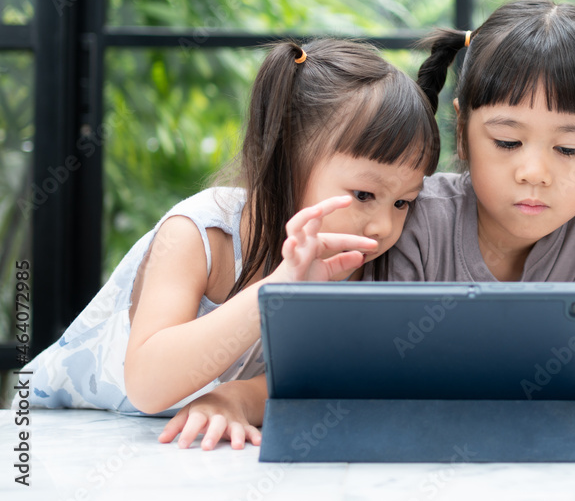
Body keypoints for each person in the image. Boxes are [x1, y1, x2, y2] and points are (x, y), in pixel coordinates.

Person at [22, 39, 440, 449]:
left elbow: (322, 373)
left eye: (404, 202)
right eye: (365, 195)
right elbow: (148, 384)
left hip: (164, 450)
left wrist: (233, 399)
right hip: (56, 432)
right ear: (285, 158)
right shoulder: (201, 233)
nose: (384, 227)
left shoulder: (352, 260)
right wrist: (274, 290)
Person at [380, 0, 575, 310]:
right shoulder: (414, 221)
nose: (534, 173)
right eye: (507, 142)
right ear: (462, 133)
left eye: (569, 149)